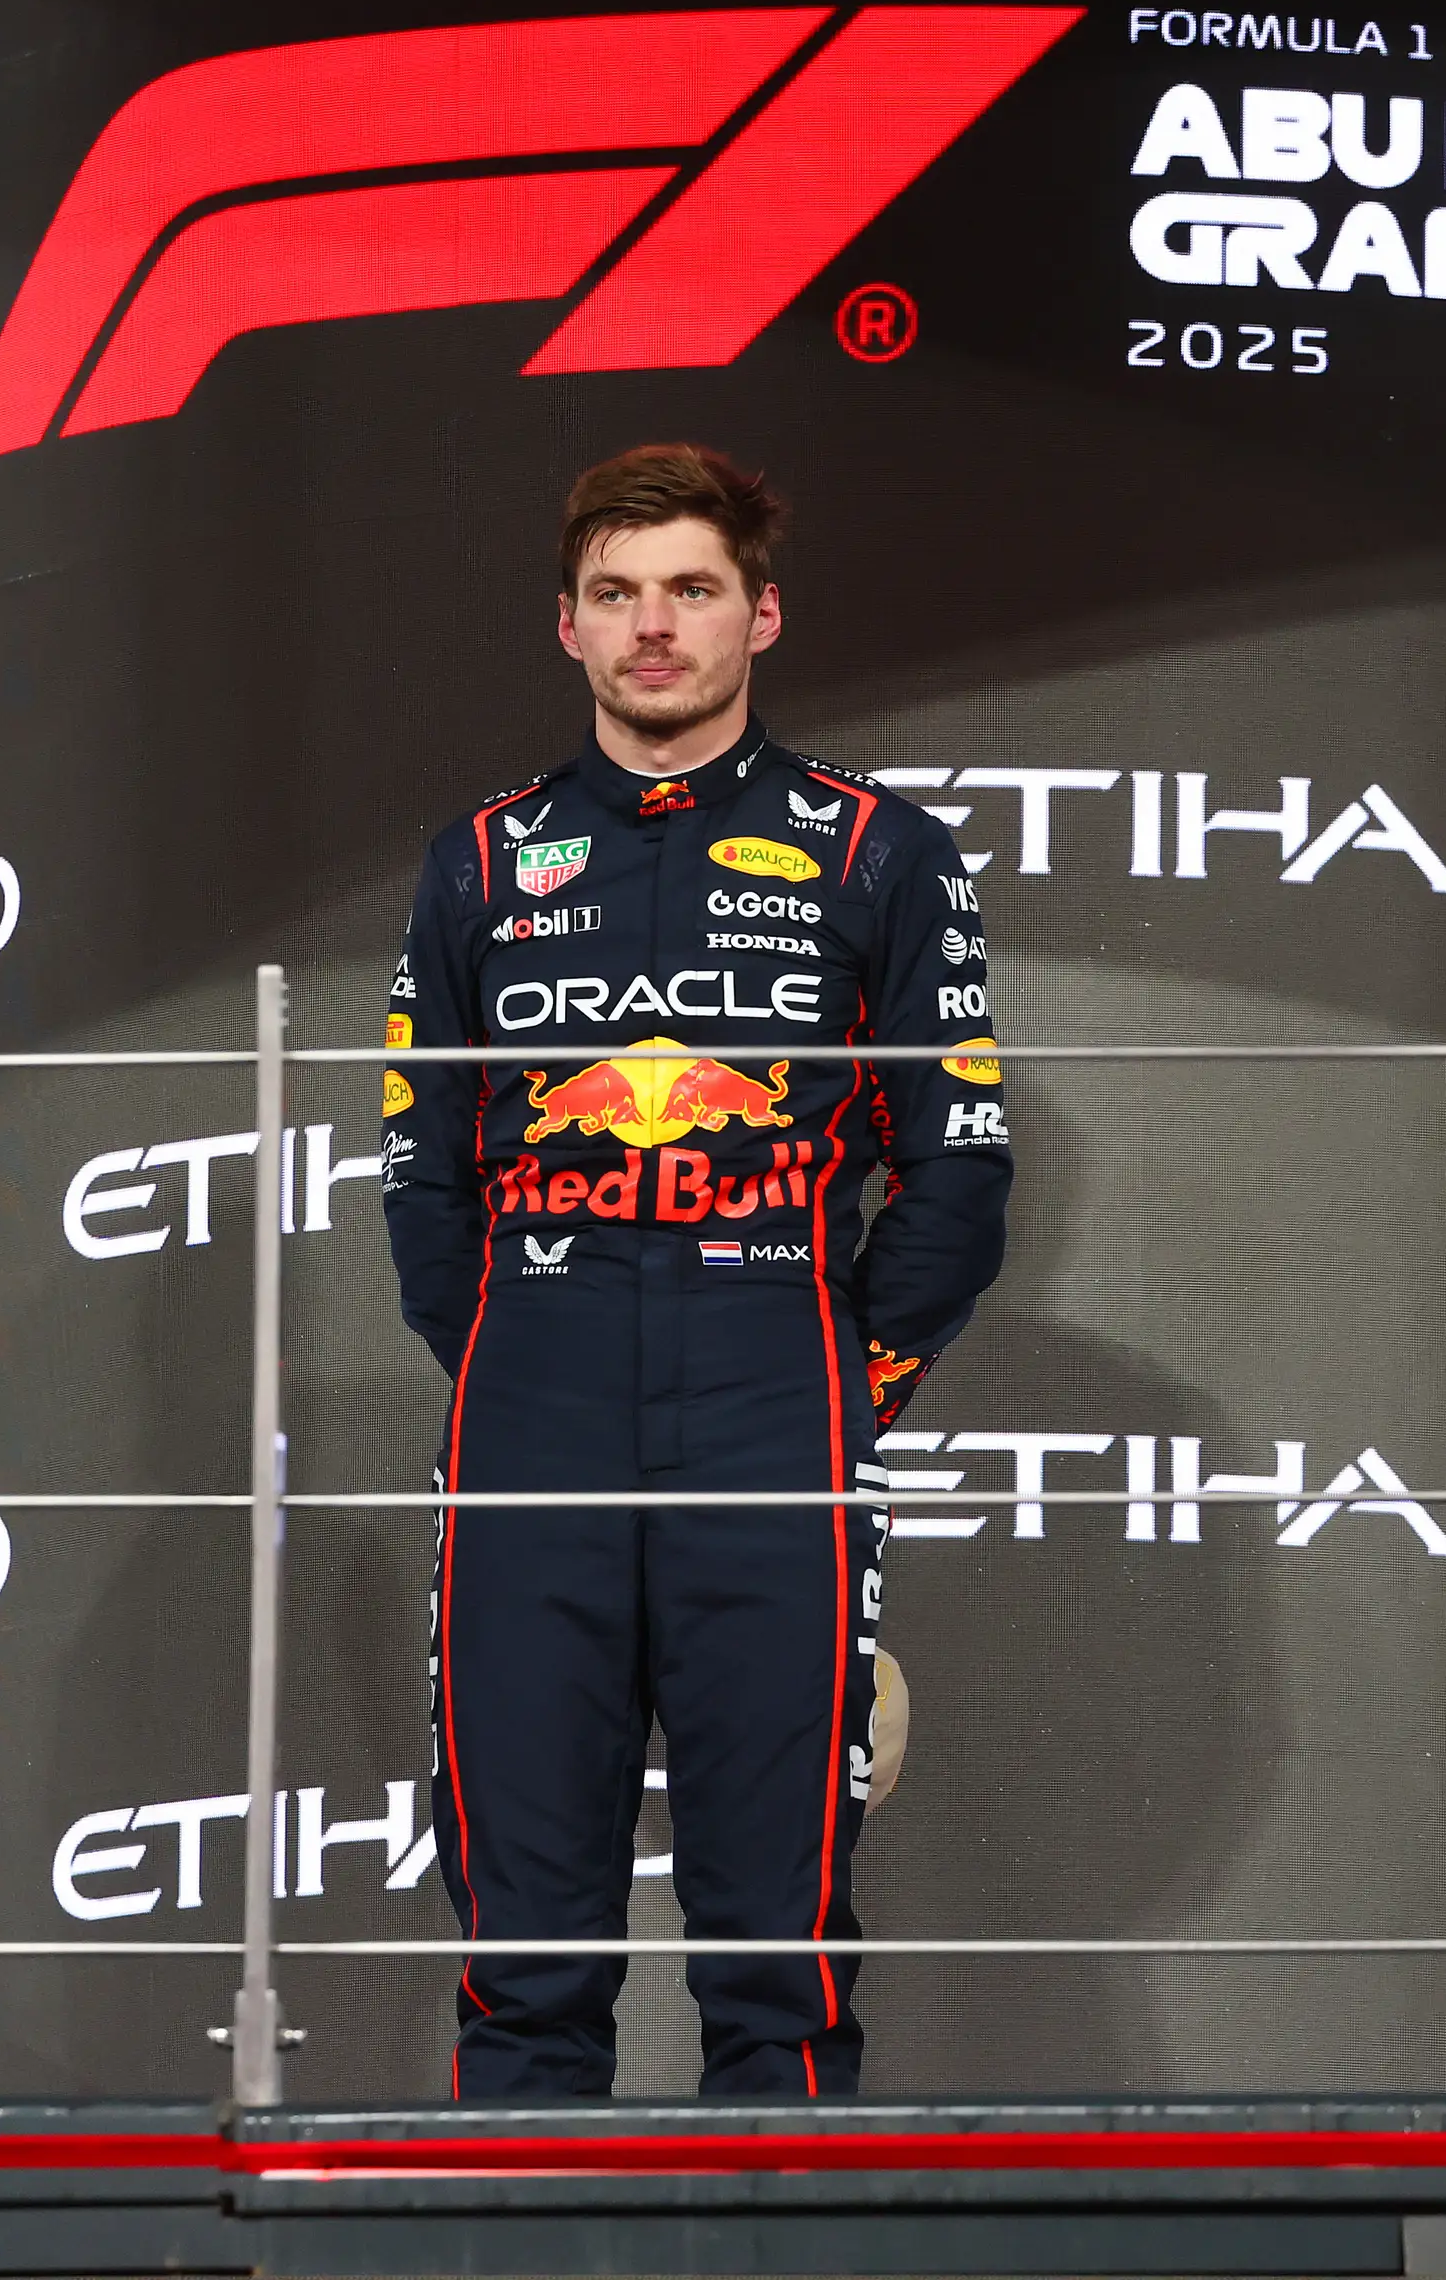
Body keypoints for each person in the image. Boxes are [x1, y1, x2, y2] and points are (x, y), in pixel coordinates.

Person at [383, 445, 1012, 2096]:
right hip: (535, 1391)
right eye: (617, 595)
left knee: (781, 1959)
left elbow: (958, 1174)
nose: (653, 628)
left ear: (762, 614)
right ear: (568, 628)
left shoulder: (883, 853)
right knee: (522, 1956)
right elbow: (421, 1178)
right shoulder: (478, 862)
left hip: (772, 1382)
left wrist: (831, 1369)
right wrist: (520, 1349)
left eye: (690, 590)